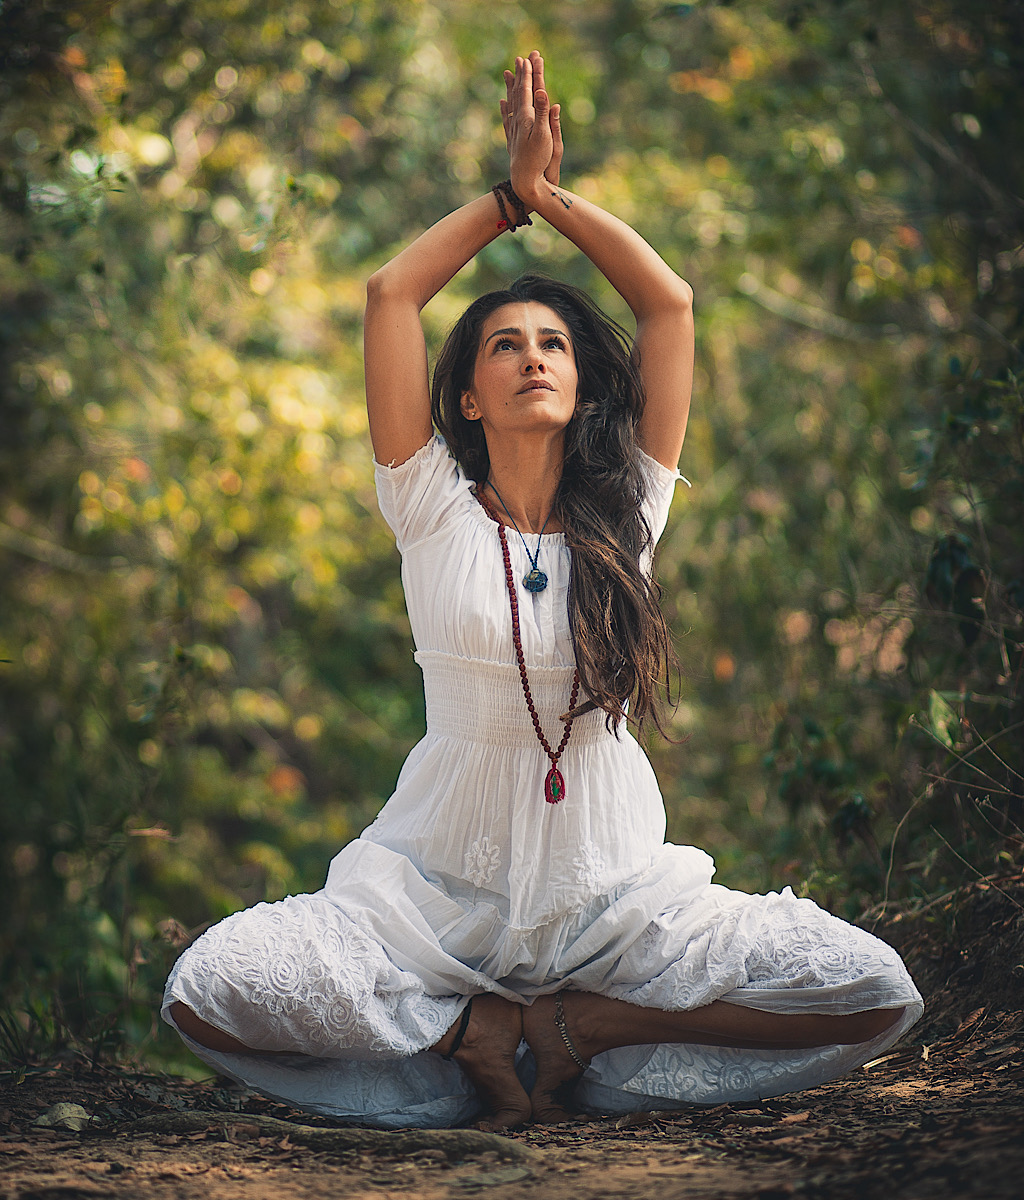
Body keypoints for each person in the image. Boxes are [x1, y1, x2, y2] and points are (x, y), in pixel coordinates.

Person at [164, 53, 922, 1130]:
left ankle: (585, 1029)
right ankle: (466, 1034)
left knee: (870, 992)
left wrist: (552, 199)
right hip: (432, 894)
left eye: (554, 344)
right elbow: (391, 292)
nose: (533, 358)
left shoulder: (630, 509)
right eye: (505, 346)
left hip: (612, 898)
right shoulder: (426, 503)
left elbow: (667, 304)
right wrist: (501, 202)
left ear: (580, 382)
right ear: (465, 396)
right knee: (211, 991)